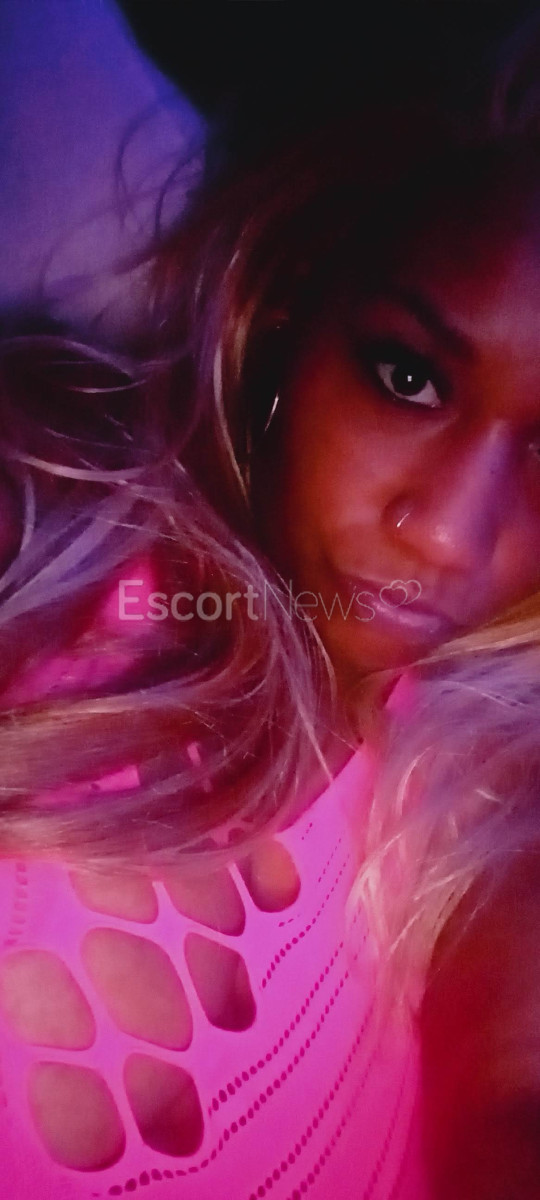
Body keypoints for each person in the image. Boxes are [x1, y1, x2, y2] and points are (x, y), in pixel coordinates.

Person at [1, 7, 540, 1200]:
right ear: (295, 300)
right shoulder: (53, 536)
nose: (451, 532)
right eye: (408, 376)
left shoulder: (477, 780)